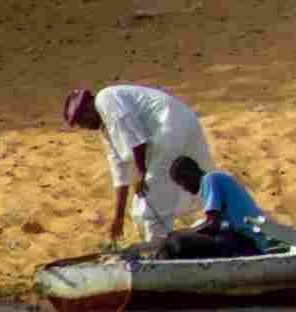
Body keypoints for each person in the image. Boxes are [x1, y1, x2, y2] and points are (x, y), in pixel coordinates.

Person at [63, 85, 215, 246]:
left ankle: (158, 249)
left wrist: (141, 173)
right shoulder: (106, 129)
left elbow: (136, 140)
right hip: (165, 135)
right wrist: (118, 217)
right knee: (140, 208)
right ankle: (159, 243)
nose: (85, 126)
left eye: (82, 120)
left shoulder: (105, 99)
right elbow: (120, 174)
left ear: (87, 107)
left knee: (153, 195)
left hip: (169, 124)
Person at [158, 158, 269, 260]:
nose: (184, 188)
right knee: (177, 242)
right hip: (240, 241)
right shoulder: (211, 183)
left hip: (247, 244)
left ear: (188, 175)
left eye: (181, 184)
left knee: (177, 242)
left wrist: (184, 233)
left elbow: (213, 225)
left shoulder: (211, 180)